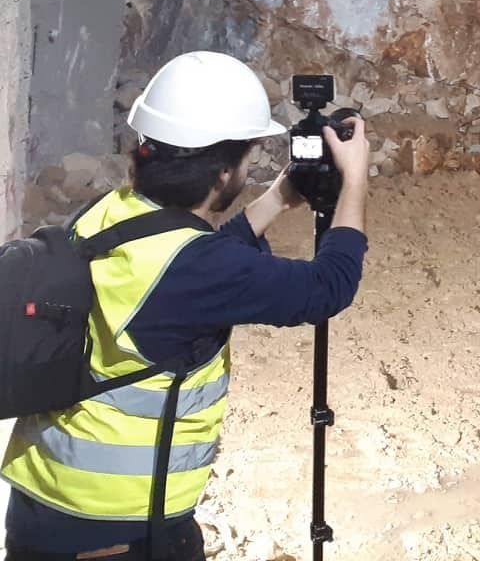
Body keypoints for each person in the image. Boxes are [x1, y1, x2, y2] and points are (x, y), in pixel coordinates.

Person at [2, 52, 370, 561]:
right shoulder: (198, 270)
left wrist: (278, 198)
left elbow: (190, 263)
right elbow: (329, 286)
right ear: (223, 173)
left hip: (40, 503)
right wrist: (355, 182)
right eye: (246, 158)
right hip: (119, 528)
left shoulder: (108, 212)